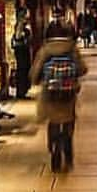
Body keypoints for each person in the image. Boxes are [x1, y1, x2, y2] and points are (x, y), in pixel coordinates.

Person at [30, 19, 87, 172]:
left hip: (50, 94)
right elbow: (82, 69)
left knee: (53, 121)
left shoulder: (45, 49)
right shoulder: (72, 48)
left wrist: (36, 80)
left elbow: (35, 71)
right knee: (68, 121)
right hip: (68, 94)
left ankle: (54, 147)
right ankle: (67, 150)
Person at [12, 7, 33, 99]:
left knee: (23, 70)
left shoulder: (22, 25)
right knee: (22, 70)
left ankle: (22, 91)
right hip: (21, 52)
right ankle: (21, 92)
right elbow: (18, 38)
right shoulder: (20, 25)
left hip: (22, 51)